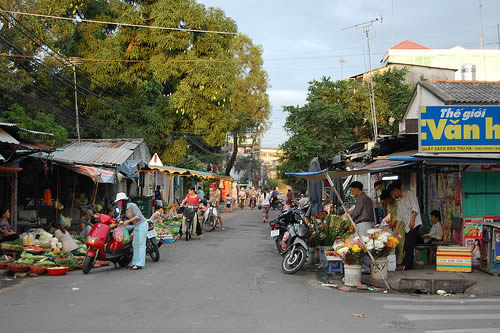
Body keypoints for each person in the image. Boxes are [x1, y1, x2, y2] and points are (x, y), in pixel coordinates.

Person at [388, 182, 422, 271]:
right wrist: (396, 230)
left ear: (396, 190)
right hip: (407, 225)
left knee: (408, 246)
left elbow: (415, 209)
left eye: (393, 193)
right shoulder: (399, 201)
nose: (393, 195)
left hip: (414, 224)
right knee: (408, 246)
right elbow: (399, 217)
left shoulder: (409, 194)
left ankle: (405, 265)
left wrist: (412, 221)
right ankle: (408, 265)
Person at [115, 192, 148, 270]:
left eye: (119, 201)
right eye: (117, 202)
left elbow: (139, 216)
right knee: (135, 244)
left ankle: (139, 264)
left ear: (123, 201)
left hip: (142, 224)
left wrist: (128, 221)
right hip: (136, 226)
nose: (118, 203)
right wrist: (119, 221)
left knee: (140, 244)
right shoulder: (122, 209)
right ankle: (134, 263)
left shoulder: (132, 206)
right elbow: (119, 218)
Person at [349, 181, 375, 272]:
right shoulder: (367, 198)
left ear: (356, 189)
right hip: (367, 224)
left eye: (352, 190)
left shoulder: (361, 198)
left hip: (362, 224)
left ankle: (365, 267)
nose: (352, 192)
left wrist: (350, 218)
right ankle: (367, 266)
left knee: (362, 246)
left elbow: (356, 213)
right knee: (367, 245)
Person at [380, 189, 405, 269]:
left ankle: (399, 263)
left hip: (400, 225)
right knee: (393, 245)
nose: (386, 202)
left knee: (400, 244)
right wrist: (390, 223)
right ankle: (394, 262)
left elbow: (399, 216)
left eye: (386, 200)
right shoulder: (389, 205)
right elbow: (390, 215)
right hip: (393, 226)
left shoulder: (398, 203)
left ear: (389, 198)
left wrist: (393, 224)